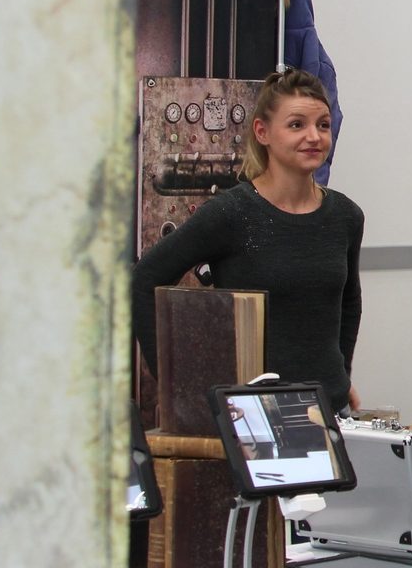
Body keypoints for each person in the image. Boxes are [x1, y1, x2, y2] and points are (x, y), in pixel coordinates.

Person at [132, 68, 364, 414]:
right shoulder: (231, 213)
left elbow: (348, 304)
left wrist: (341, 376)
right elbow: (144, 280)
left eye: (323, 125)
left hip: (326, 411)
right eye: (297, 125)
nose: (314, 136)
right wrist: (175, 385)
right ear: (262, 132)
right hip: (254, 414)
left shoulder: (345, 216)